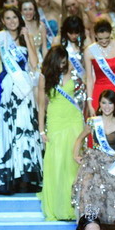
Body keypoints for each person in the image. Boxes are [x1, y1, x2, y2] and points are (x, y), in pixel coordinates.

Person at [0, 7, 43, 195]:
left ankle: (26, 178)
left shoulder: (23, 37)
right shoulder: (1, 38)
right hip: (7, 88)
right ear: (3, 21)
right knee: (8, 131)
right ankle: (7, 178)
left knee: (24, 129)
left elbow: (35, 64)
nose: (12, 21)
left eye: (14, 17)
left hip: (24, 89)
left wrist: (27, 37)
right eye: (8, 18)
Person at [72, 89, 115, 224]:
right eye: (104, 103)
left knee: (112, 197)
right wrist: (75, 155)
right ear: (99, 104)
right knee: (89, 193)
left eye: (110, 103)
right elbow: (79, 139)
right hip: (94, 162)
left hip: (112, 163)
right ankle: (87, 227)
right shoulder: (93, 122)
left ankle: (112, 228)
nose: (106, 106)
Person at [38, 45, 84, 220]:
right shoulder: (45, 77)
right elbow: (42, 106)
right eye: (60, 62)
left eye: (65, 62)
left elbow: (83, 90)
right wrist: (42, 131)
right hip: (56, 121)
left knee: (72, 164)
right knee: (56, 164)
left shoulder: (72, 72)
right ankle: (57, 205)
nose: (62, 66)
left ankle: (72, 206)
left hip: (74, 120)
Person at [20, 0, 47, 67]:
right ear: (21, 11)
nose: (28, 12)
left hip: (39, 61)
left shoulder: (41, 25)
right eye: (25, 9)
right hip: (24, 61)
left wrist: (46, 63)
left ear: (35, 11)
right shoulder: (19, 27)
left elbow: (44, 47)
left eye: (30, 9)